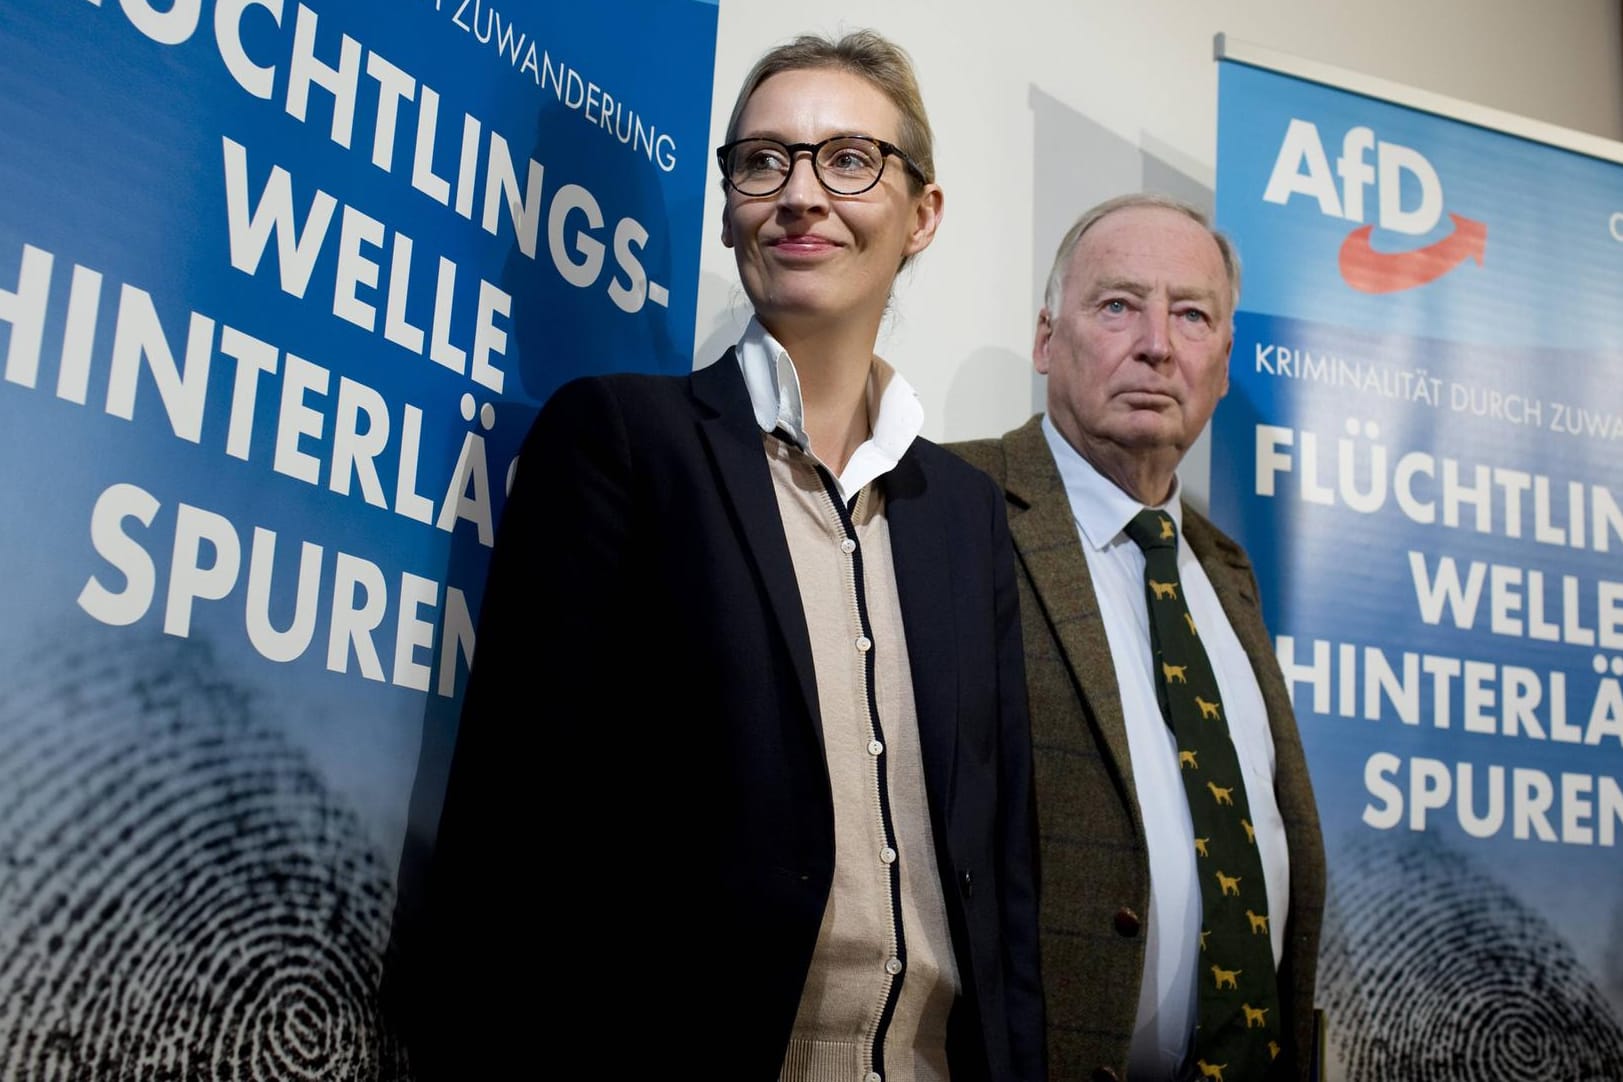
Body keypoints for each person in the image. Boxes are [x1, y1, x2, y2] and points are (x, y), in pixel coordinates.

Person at [414, 30, 1044, 1082]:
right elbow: (515, 847)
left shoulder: (964, 511)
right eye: (762, 161)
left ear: (921, 214)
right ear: (726, 209)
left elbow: (1006, 858)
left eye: (849, 159)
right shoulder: (621, 441)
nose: (800, 194)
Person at [950, 194, 1325, 1082]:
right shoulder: (949, 504)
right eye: (1117, 305)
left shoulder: (1225, 570)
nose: (1156, 343)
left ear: (1223, 362)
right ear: (1047, 340)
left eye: (1191, 314)